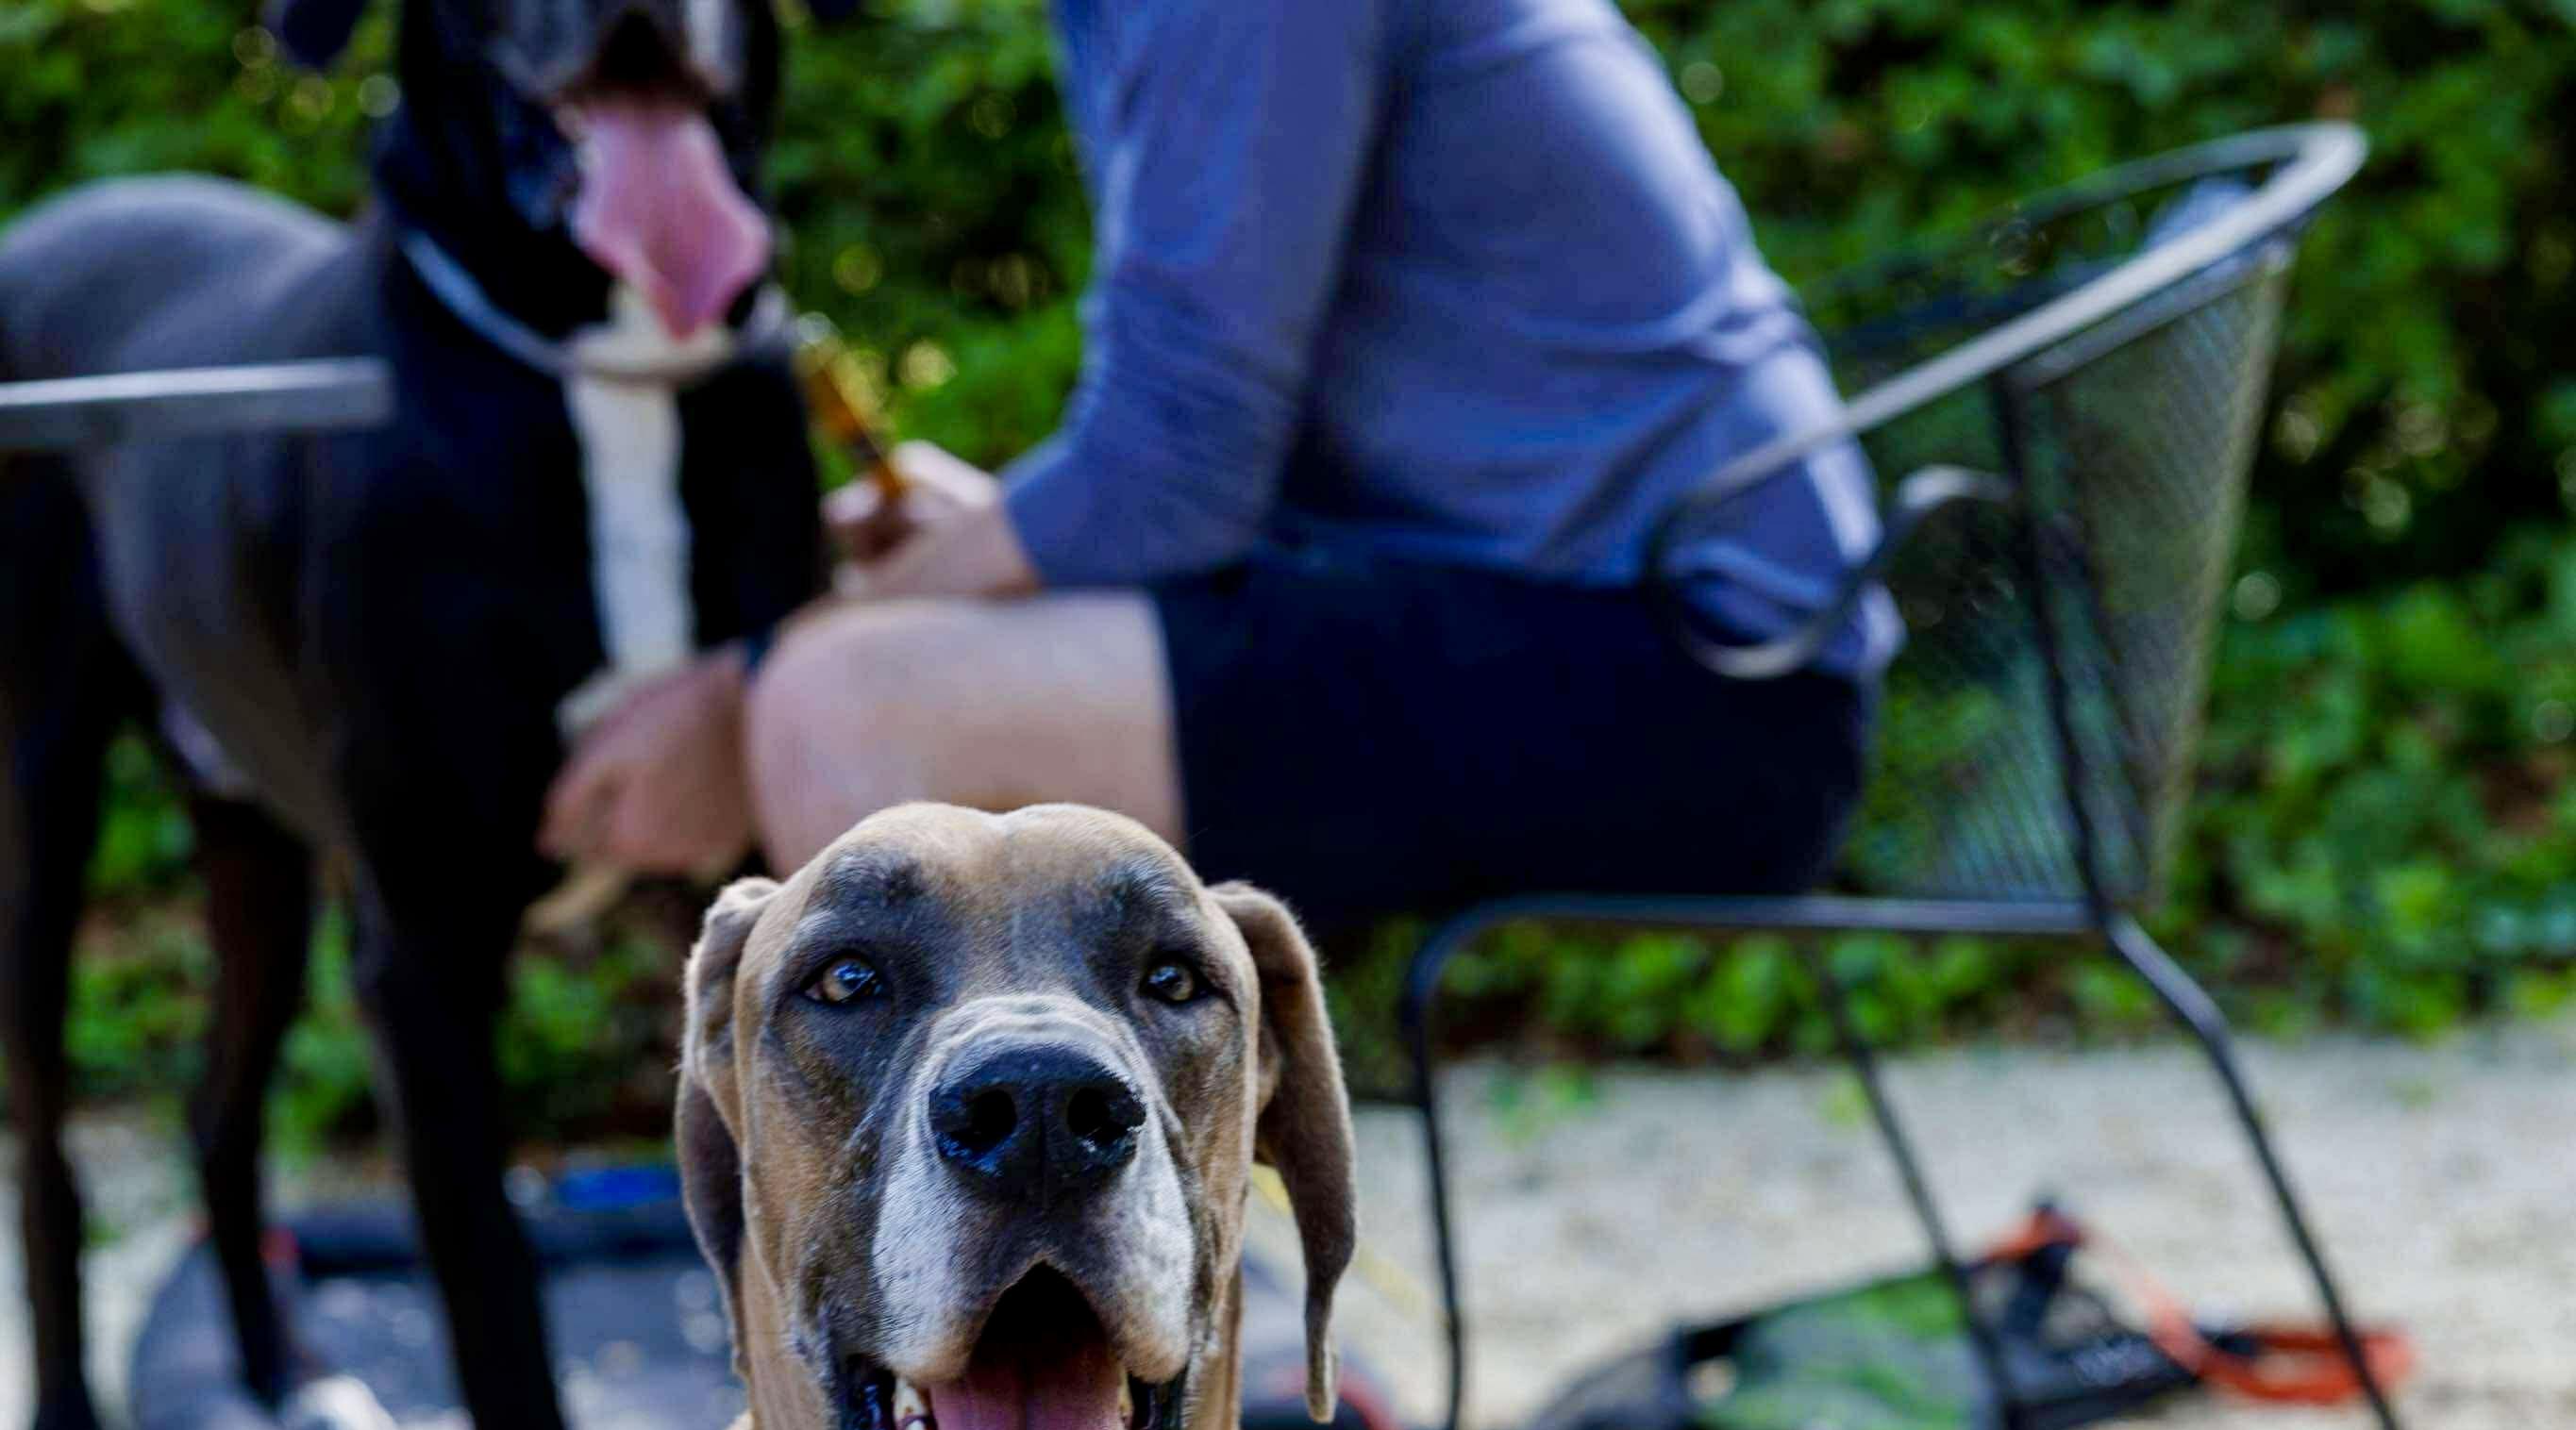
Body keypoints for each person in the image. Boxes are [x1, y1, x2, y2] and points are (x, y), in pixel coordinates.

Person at [543, 0, 1888, 925]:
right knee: (871, 670)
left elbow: (1176, 469)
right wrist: (998, 545)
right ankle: (1078, 1250)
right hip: (1577, 623)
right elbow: (1198, 452)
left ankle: (970, 1264)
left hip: (1705, 679)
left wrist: (745, 682)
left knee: (841, 707)